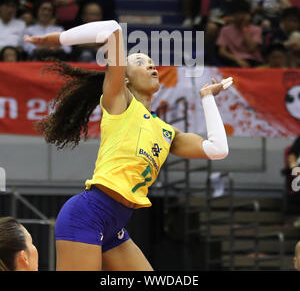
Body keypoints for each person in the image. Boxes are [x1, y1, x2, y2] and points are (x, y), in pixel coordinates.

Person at [24, 19, 232, 271]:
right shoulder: (119, 104)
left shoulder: (167, 132)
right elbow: (113, 29)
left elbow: (218, 149)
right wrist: (59, 38)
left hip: (116, 224)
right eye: (140, 62)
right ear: (123, 79)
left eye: (151, 61)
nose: (151, 64)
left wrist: (207, 98)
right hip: (87, 215)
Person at [205, 0, 248, 65]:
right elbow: (214, 16)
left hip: (236, 28)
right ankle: (210, 57)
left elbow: (244, 17)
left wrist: (233, 20)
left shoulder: (240, 0)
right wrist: (229, 19)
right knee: (211, 27)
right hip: (220, 26)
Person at [217, 0, 263, 67]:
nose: (241, 16)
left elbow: (251, 49)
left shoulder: (257, 29)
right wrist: (237, 60)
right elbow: (222, 51)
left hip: (253, 61)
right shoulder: (225, 30)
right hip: (234, 60)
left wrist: (244, 28)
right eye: (238, 13)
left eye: (244, 14)